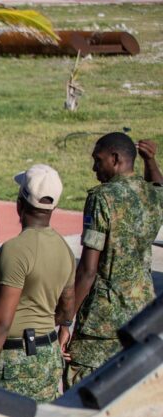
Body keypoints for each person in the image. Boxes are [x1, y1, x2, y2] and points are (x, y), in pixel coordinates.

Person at [65, 133, 163, 388]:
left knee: (82, 393)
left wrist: (66, 318)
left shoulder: (102, 198)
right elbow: (159, 189)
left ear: (116, 159)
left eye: (98, 160)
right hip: (141, 315)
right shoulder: (150, 195)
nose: (94, 168)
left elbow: (88, 269)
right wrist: (151, 162)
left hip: (101, 323)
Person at [0, 165, 75, 402]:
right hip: (47, 354)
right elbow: (67, 307)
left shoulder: (15, 250)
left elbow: (1, 323)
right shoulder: (64, 248)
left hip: (17, 359)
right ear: (53, 207)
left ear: (20, 203)